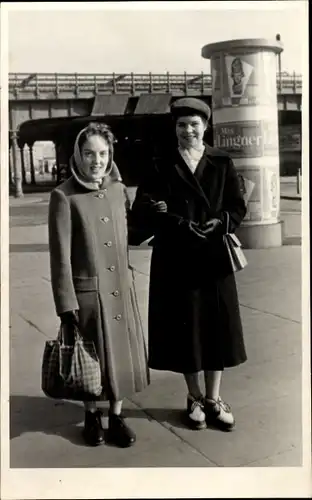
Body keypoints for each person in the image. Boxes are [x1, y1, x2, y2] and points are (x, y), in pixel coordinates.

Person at [131, 97, 247, 432]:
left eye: (194, 124)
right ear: (175, 128)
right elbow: (142, 207)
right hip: (175, 257)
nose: (188, 130)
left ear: (206, 127)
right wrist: (164, 215)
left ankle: (215, 398)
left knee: (216, 327)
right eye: (182, 125)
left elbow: (238, 207)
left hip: (213, 258)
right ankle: (194, 397)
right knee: (187, 329)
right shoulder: (160, 164)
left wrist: (222, 221)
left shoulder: (222, 162)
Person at [48, 122, 150, 448]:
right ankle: (92, 415)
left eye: (103, 153)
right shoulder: (64, 196)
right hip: (88, 294)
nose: (97, 161)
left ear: (111, 154)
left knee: (119, 358)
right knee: (90, 362)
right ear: (78, 154)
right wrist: (66, 304)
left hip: (121, 288)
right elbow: (60, 256)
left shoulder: (118, 190)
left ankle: (117, 416)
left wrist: (155, 217)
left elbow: (131, 233)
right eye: (90, 153)